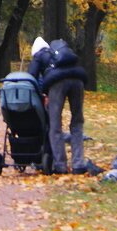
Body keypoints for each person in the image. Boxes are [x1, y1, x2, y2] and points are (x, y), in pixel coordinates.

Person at [28, 36, 88, 174]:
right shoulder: (58, 53)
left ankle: (60, 165)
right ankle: (78, 164)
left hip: (57, 83)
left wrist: (41, 93)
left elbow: (31, 77)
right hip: (78, 80)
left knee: (55, 125)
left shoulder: (38, 56)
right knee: (77, 122)